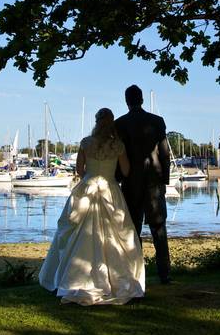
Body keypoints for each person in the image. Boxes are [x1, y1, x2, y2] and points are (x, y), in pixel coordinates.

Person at [38, 107, 145, 305]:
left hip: (87, 187)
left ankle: (73, 279)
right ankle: (115, 280)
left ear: (96, 122)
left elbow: (79, 170)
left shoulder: (86, 143)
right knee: (116, 234)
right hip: (110, 189)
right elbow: (127, 171)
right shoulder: (118, 146)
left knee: (75, 232)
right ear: (112, 122)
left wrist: (91, 175)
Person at [114, 85, 172, 284]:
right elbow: (165, 154)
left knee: (132, 230)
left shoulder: (120, 123)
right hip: (154, 183)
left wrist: (116, 179)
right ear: (142, 100)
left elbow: (118, 157)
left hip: (131, 183)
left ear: (126, 100)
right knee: (159, 229)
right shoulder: (156, 121)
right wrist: (165, 180)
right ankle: (164, 274)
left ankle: (136, 274)